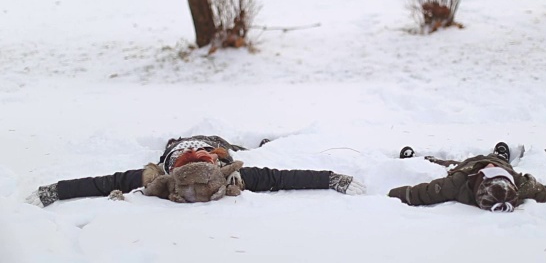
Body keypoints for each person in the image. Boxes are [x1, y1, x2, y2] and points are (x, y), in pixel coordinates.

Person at [26, 135, 366, 207]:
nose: (192, 153)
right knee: (226, 144)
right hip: (217, 144)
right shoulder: (232, 174)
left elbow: (103, 183)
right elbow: (283, 178)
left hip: (204, 145)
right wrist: (331, 179)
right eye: (193, 155)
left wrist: (55, 190)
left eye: (194, 155)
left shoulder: (157, 175)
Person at [388, 142, 546, 212]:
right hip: (505, 165)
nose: (491, 167)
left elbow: (423, 193)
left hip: (466, 167)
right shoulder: (522, 186)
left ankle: (423, 158)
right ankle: (501, 156)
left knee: (448, 164)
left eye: (491, 171)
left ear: (480, 182)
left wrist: (391, 196)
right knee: (495, 157)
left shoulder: (457, 183)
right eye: (495, 171)